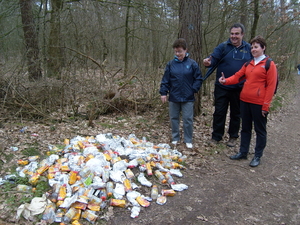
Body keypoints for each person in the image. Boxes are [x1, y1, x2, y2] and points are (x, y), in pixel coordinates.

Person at [219, 35, 278, 167]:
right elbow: (237, 77)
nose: (253, 49)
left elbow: (271, 86)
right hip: (245, 100)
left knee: (260, 130)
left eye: (256, 47)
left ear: (263, 48)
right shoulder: (248, 64)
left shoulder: (269, 64)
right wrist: (225, 81)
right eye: (252, 47)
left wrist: (266, 106)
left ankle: (257, 155)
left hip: (259, 103)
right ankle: (243, 152)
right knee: (245, 128)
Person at [203, 23, 252, 147]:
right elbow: (213, 59)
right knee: (219, 112)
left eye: (236, 34)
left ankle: (233, 137)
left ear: (242, 35)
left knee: (236, 113)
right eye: (232, 33)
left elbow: (256, 64)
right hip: (222, 86)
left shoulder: (249, 48)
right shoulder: (223, 47)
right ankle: (216, 137)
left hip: (240, 87)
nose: (233, 36)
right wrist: (208, 62)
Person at [159, 38, 202, 149]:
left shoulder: (192, 64)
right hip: (174, 96)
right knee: (174, 118)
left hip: (188, 97)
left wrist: (193, 89)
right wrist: (163, 92)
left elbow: (198, 78)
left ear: (185, 50)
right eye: (176, 52)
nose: (178, 54)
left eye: (180, 52)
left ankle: (188, 139)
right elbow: (165, 80)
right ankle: (175, 138)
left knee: (188, 119)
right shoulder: (170, 64)